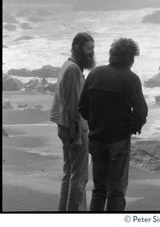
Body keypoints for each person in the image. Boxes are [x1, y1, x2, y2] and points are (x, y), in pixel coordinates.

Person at [79, 38, 148, 212]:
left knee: (99, 190)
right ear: (131, 58)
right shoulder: (131, 78)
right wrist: (132, 127)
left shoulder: (95, 73)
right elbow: (141, 111)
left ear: (112, 54)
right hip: (118, 139)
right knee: (116, 192)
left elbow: (82, 106)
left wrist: (95, 122)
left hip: (96, 139)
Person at [50, 32, 95, 211]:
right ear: (77, 48)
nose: (92, 53)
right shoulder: (73, 69)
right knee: (79, 177)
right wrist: (75, 135)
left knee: (69, 175)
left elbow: (65, 102)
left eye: (93, 49)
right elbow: (73, 105)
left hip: (66, 127)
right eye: (88, 48)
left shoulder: (67, 65)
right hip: (75, 129)